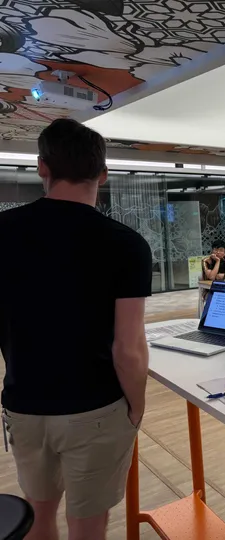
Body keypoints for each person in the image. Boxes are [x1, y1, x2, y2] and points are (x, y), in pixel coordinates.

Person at [0, 119, 152, 540]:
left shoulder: (3, 233)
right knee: (88, 525)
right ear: (102, 173)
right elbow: (128, 348)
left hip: (24, 405)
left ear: (42, 167)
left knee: (37, 514)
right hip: (96, 409)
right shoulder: (126, 244)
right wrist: (137, 407)